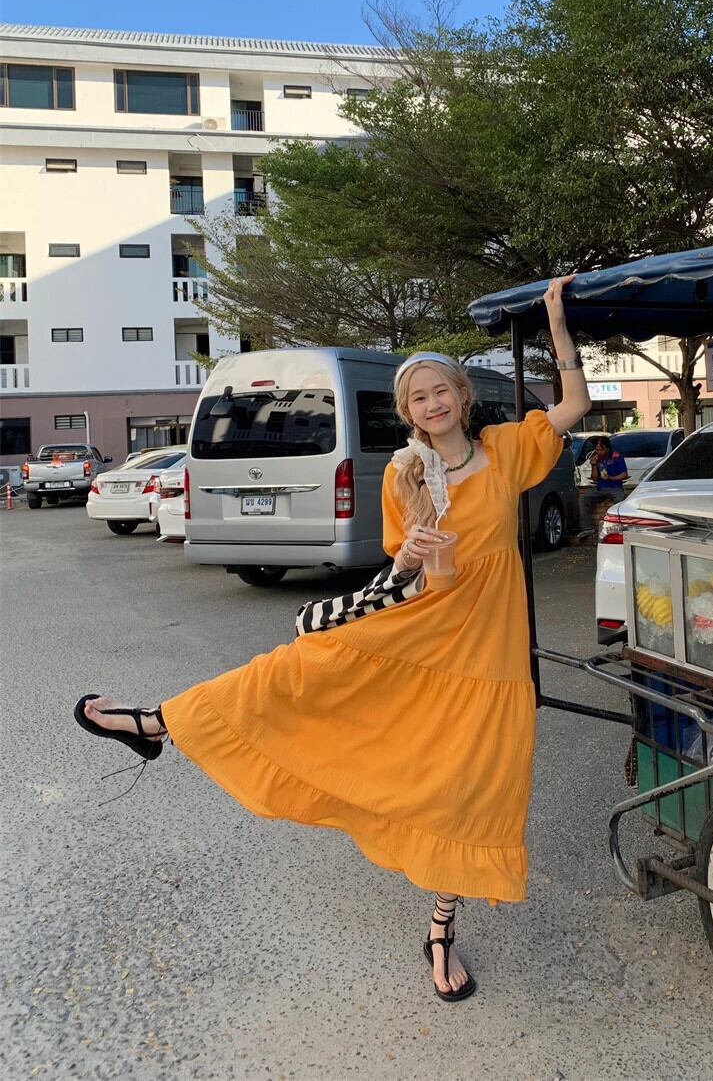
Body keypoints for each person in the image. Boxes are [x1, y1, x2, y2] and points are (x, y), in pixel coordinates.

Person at [73, 277, 591, 1004]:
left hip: (487, 645)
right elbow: (400, 568)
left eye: (441, 391)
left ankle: (441, 927)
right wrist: (413, 550)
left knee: (472, 781)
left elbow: (574, 405)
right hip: (421, 625)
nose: (432, 404)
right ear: (407, 411)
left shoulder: (505, 449)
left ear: (462, 397)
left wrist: (558, 324)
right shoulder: (406, 472)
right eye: (418, 397)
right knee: (297, 673)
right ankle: (159, 722)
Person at [577, 435, 629, 537]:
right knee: (583, 499)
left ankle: (621, 528)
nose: (599, 452)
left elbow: (624, 474)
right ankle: (588, 528)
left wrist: (612, 478)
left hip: (615, 487)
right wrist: (593, 465)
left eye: (601, 450)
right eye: (597, 450)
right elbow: (594, 479)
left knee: (620, 502)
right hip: (600, 488)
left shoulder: (616, 456)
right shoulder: (596, 458)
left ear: (607, 448)